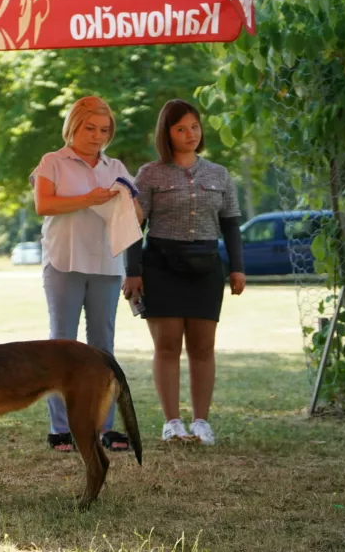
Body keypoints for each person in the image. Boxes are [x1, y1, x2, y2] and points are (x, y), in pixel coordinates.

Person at [122, 99, 246, 446]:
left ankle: (202, 421)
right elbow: (134, 225)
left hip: (207, 268)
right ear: (167, 133)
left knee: (204, 348)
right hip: (161, 267)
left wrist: (237, 268)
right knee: (166, 346)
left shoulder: (219, 174)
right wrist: (133, 271)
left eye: (194, 126)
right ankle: (172, 422)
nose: (190, 134)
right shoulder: (149, 174)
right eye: (181, 128)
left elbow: (231, 226)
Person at [30, 96, 141, 454]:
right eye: (90, 128)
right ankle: (61, 428)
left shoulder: (117, 166)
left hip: (107, 264)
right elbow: (43, 204)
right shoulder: (53, 162)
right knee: (61, 344)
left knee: (102, 347)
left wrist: (129, 203)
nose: (97, 136)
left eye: (104, 130)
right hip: (64, 260)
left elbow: (136, 215)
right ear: (73, 127)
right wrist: (88, 199)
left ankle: (103, 426)